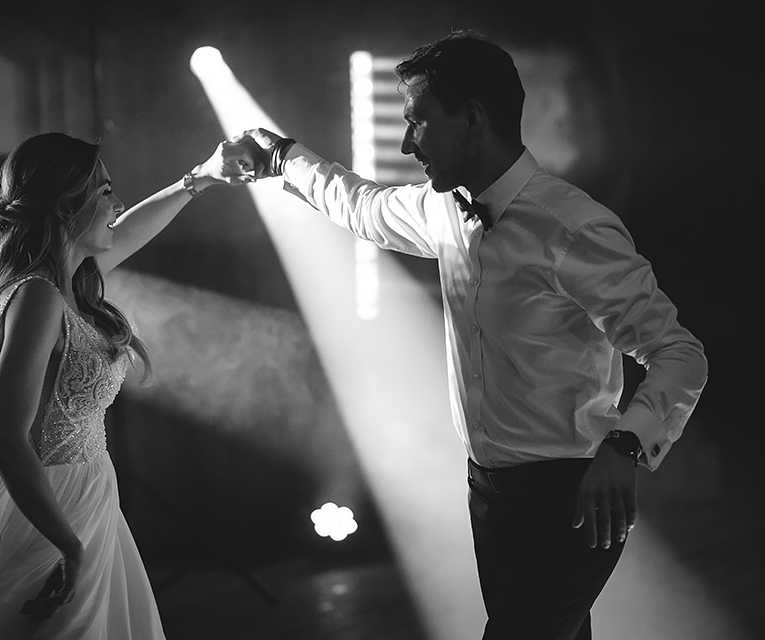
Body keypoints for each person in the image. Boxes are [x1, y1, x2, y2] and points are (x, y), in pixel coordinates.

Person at [237, 29, 708, 640]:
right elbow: (362, 204)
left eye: (418, 121)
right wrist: (281, 156)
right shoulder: (444, 209)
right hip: (489, 492)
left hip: (569, 497)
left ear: (472, 119)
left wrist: (625, 447)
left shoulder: (572, 227)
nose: (406, 142)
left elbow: (678, 354)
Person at [0, 131, 255, 639]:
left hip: (90, 497)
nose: (118, 204)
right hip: (56, 506)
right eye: (105, 191)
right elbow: (6, 441)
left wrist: (204, 177)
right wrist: (67, 543)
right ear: (65, 207)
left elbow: (130, 231)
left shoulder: (68, 282)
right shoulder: (38, 297)